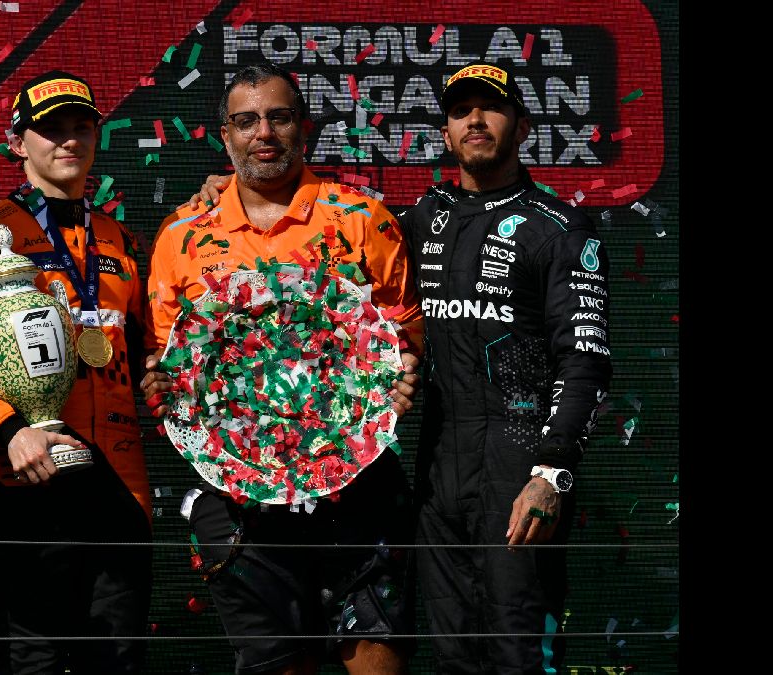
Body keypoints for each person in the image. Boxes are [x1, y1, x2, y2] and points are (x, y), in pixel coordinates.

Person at [143, 63, 424, 675]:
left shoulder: (363, 219)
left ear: (305, 128)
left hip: (356, 484)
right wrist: (159, 383)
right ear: (225, 136)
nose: (263, 132)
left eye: (279, 117)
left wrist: (403, 372)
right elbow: (166, 357)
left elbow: (403, 334)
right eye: (246, 121)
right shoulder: (183, 235)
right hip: (239, 493)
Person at [395, 63, 612, 674]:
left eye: (490, 107)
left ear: (522, 125)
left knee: (519, 654)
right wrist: (227, 191)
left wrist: (551, 475)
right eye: (460, 110)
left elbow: (586, 362)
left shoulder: (560, 228)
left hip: (519, 468)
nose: (475, 120)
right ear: (445, 133)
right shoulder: (422, 217)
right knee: (452, 656)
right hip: (438, 472)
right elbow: (333, 235)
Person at [0, 70, 152, 674]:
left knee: (119, 662)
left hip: (120, 483)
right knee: (32, 662)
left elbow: (147, 351)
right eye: (51, 129)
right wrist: (10, 431)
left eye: (82, 127)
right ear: (17, 142)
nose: (69, 140)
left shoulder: (121, 241)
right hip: (28, 477)